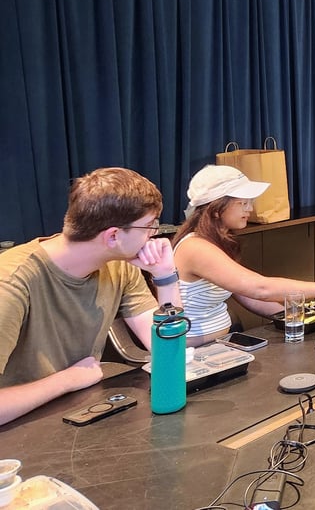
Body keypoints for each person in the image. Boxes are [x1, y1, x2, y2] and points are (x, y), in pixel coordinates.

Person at [0, 168, 181, 426]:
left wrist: (165, 276)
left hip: (77, 415)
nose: (154, 234)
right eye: (149, 226)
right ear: (113, 236)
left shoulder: (119, 265)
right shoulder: (10, 282)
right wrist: (67, 379)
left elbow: (171, 350)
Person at [171, 165, 315, 347]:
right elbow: (260, 288)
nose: (250, 209)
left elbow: (248, 295)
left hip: (222, 343)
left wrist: (300, 319)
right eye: (242, 203)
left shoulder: (215, 241)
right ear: (215, 209)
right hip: (196, 352)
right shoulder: (195, 247)